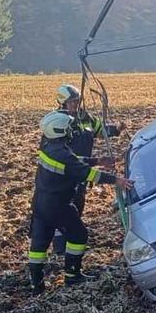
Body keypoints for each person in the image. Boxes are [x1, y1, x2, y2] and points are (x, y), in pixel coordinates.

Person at [28, 111, 133, 293]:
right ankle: (72, 275)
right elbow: (86, 173)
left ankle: (36, 284)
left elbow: (74, 162)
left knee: (39, 243)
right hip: (58, 204)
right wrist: (117, 180)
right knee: (79, 235)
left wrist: (97, 160)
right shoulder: (61, 153)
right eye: (69, 129)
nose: (72, 131)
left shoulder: (48, 146)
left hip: (40, 202)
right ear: (61, 131)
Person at [52, 83, 125, 258]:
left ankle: (73, 242)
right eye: (71, 102)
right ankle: (60, 245)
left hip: (83, 170)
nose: (75, 105)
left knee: (78, 204)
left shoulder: (86, 118)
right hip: (65, 172)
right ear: (62, 103)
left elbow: (101, 130)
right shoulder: (57, 122)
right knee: (64, 207)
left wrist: (117, 129)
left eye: (77, 101)